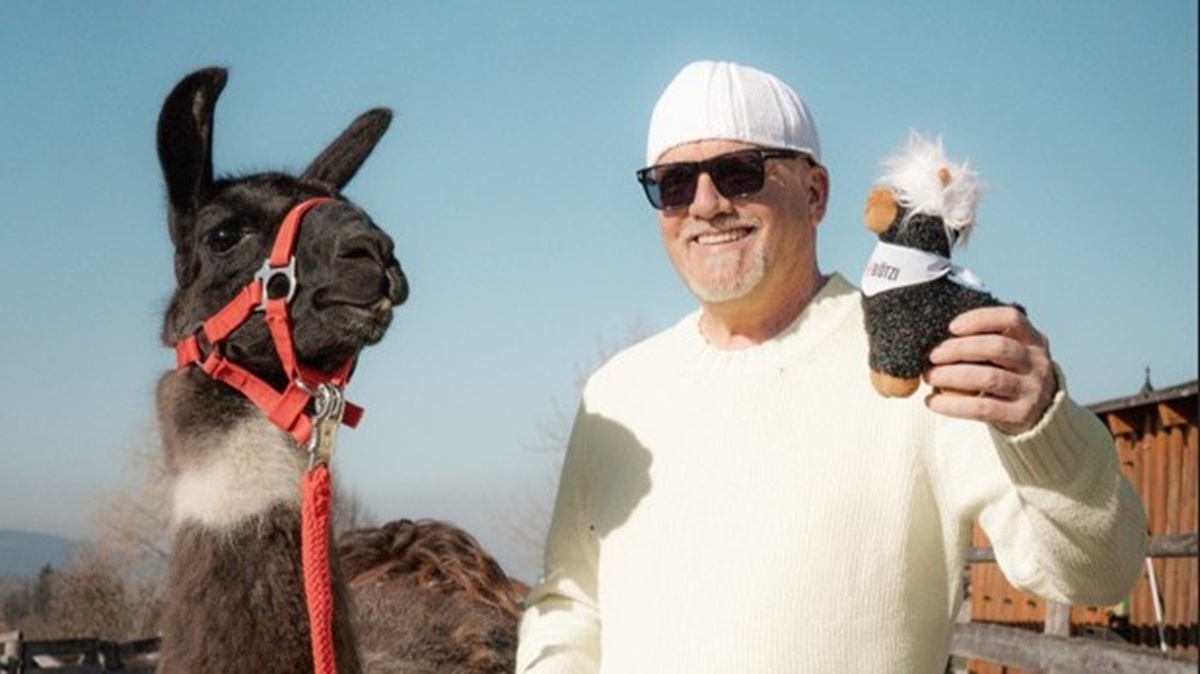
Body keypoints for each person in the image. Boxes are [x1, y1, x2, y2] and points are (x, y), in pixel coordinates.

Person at [515, 60, 1147, 673]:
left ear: (814, 192)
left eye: (738, 172)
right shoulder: (618, 393)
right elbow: (569, 602)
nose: (704, 204)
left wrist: (1043, 426)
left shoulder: (921, 362)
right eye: (673, 183)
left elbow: (1096, 571)